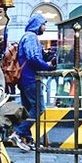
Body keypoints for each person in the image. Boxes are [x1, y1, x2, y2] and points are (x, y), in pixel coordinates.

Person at [11, 14, 54, 150]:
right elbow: (33, 58)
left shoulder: (27, 36)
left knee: (29, 109)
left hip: (25, 79)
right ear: (37, 24)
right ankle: (19, 133)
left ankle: (27, 139)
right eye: (43, 24)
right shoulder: (30, 37)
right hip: (30, 79)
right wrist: (47, 65)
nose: (45, 28)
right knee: (39, 108)